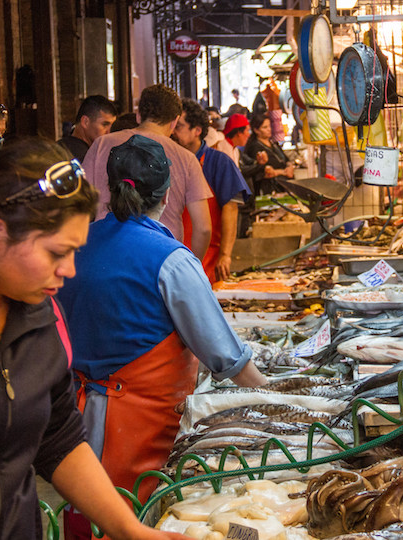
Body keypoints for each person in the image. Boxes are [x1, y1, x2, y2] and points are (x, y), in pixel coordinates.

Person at [56, 135, 267, 534]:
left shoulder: (75, 245)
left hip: (73, 424)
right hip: (141, 430)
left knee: (87, 516)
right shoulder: (170, 260)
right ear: (167, 195)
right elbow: (225, 356)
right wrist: (277, 395)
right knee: (140, 517)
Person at [0, 138, 188, 540]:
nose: (69, 270)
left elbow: (58, 437)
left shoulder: (41, 318)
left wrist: (130, 529)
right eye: (57, 252)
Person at [82, 84, 212, 259]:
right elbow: (203, 228)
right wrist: (192, 266)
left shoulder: (101, 145)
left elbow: (80, 204)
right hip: (163, 259)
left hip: (107, 254)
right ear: (174, 121)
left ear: (138, 115)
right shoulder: (187, 159)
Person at [173, 99, 251, 282]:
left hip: (207, 261)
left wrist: (225, 255)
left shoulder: (218, 162)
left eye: (179, 127)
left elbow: (231, 208)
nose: (173, 132)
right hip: (172, 260)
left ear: (197, 131)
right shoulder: (168, 161)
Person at [242, 112, 294, 197]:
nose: (269, 129)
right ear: (256, 130)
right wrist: (283, 172)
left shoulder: (273, 143)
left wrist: (290, 167)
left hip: (285, 185)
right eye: (265, 127)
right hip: (269, 189)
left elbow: (286, 159)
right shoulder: (255, 147)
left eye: (269, 126)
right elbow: (262, 171)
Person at [57, 95, 118, 162]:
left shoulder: (57, 149)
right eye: (105, 125)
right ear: (85, 122)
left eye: (112, 126)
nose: (109, 131)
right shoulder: (87, 158)